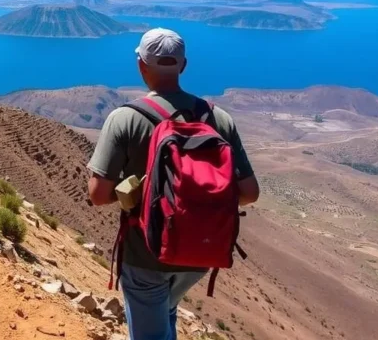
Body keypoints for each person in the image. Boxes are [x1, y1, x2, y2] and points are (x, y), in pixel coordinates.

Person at [87, 28, 260, 340]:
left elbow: (98, 195)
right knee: (166, 310)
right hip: (200, 251)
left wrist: (134, 191)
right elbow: (249, 194)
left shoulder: (125, 119)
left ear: (141, 65)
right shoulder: (218, 118)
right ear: (183, 65)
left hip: (146, 254)